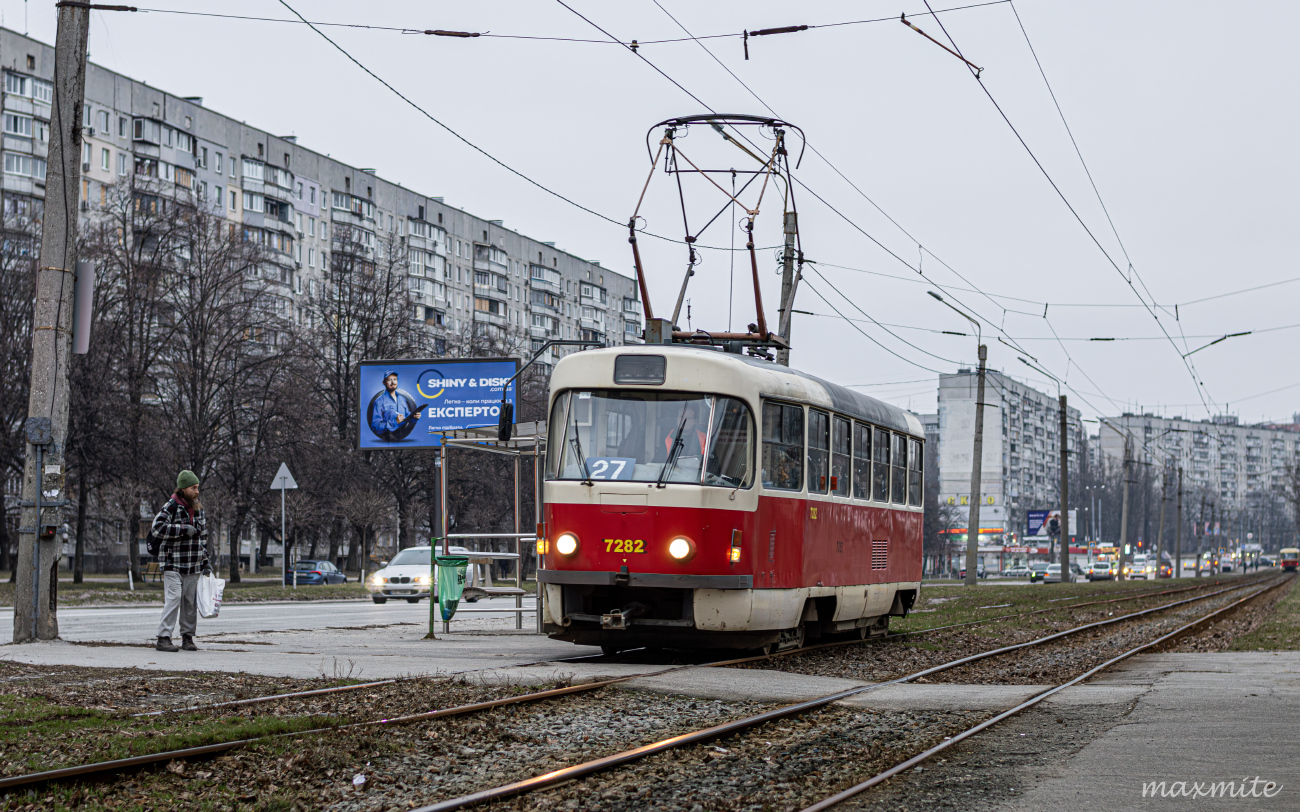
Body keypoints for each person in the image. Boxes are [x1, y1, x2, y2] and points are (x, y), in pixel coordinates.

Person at [152, 470, 211, 652]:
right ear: (184, 489)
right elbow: (157, 528)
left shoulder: (198, 509)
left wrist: (205, 561)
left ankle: (187, 637)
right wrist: (183, 529)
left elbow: (203, 538)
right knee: (174, 597)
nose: (197, 491)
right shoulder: (171, 506)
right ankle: (163, 637)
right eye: (194, 488)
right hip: (172, 562)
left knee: (189, 602)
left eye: (198, 487)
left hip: (193, 564)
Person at [369, 371, 422, 441]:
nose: (393, 382)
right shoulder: (379, 402)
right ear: (384, 382)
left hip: (403, 438)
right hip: (388, 439)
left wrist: (414, 417)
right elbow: (375, 427)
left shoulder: (402, 399)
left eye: (394, 379)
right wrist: (395, 422)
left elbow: (407, 417)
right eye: (389, 380)